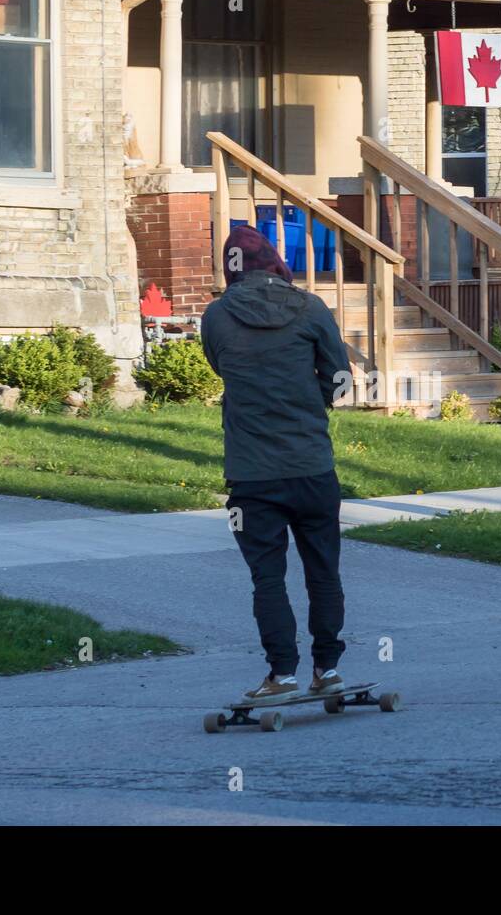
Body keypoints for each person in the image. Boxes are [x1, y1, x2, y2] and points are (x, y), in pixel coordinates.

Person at [200, 225, 353, 704]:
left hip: (250, 477)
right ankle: (327, 669)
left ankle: (281, 674)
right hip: (313, 469)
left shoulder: (217, 316)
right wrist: (316, 400)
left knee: (267, 578)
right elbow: (341, 376)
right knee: (323, 570)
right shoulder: (311, 308)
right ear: (274, 263)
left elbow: (221, 366)